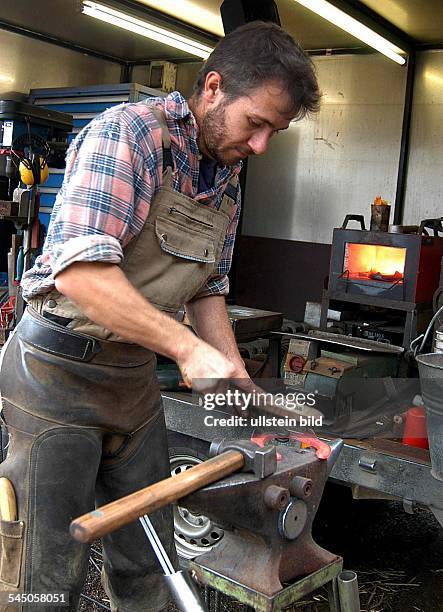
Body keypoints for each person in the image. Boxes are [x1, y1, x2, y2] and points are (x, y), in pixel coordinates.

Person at [0, 21, 320, 612]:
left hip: (132, 382)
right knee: (45, 576)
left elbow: (208, 288)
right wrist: (187, 350)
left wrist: (235, 377)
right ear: (214, 88)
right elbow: (81, 272)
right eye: (257, 124)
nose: (261, 146)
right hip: (55, 375)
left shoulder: (226, 169)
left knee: (150, 561)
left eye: (274, 132)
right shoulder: (128, 136)